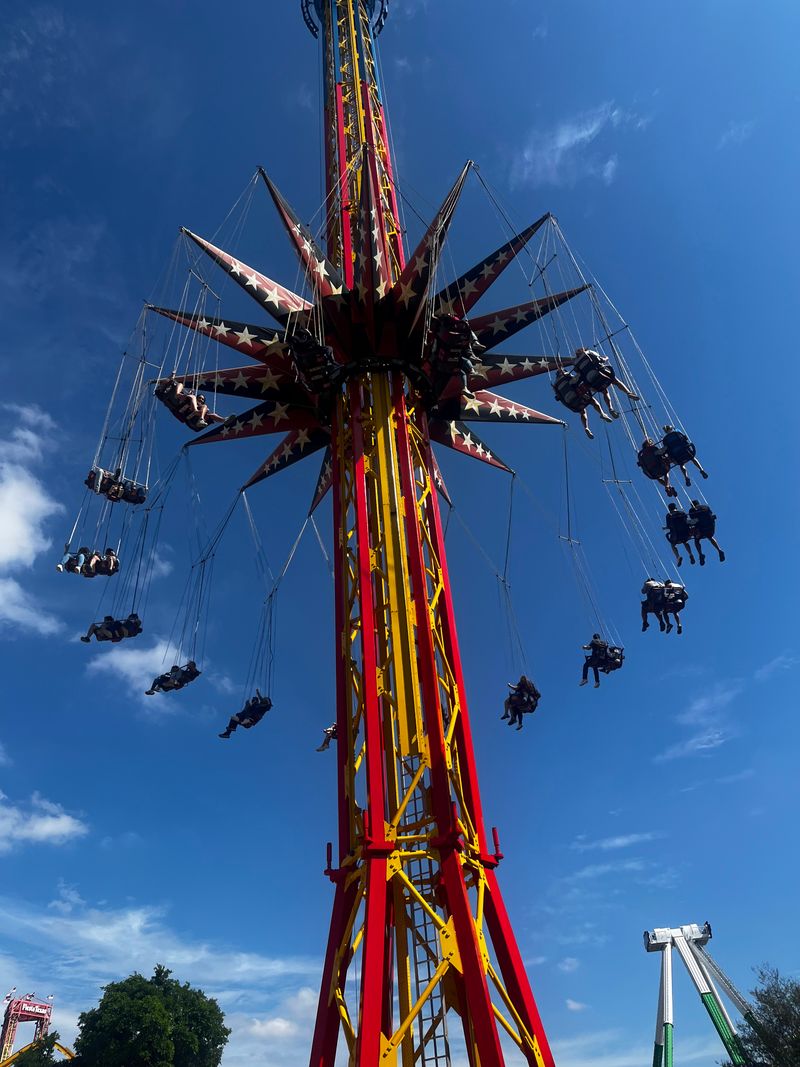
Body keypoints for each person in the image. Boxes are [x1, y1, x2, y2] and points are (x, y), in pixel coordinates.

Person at [573, 347, 639, 417]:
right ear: (584, 350)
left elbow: (578, 373)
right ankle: (628, 393)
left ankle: (610, 408)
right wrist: (606, 358)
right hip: (600, 372)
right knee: (615, 381)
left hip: (590, 381)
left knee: (604, 391)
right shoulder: (589, 352)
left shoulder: (576, 363)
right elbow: (600, 360)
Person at [553, 370, 613, 439]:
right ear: (561, 372)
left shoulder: (555, 386)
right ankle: (602, 413)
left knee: (582, 411)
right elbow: (575, 379)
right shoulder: (565, 374)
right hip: (576, 394)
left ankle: (586, 427)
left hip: (570, 401)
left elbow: (559, 398)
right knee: (593, 401)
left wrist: (569, 406)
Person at [289, 327, 338, 393]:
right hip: (309, 359)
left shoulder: (312, 386)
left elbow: (298, 362)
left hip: (309, 360)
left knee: (328, 349)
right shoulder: (298, 346)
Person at [688, 500, 725, 565]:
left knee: (696, 540)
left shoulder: (692, 510)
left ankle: (700, 554)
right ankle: (719, 550)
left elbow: (694, 521)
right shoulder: (706, 507)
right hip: (710, 527)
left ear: (692, 505)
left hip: (701, 529)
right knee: (710, 537)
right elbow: (710, 514)